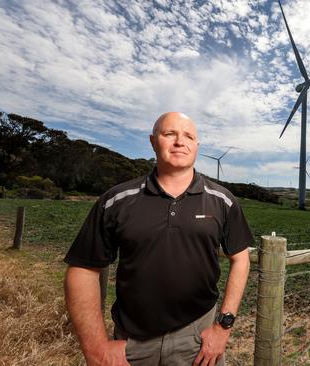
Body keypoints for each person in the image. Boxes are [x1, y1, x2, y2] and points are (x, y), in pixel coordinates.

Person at [63, 112, 252, 366]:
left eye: (188, 136)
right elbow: (83, 270)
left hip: (198, 339)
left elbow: (241, 259)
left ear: (197, 146)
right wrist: (96, 347)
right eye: (169, 134)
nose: (179, 141)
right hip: (132, 344)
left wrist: (223, 327)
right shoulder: (116, 200)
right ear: (153, 141)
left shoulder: (223, 200)